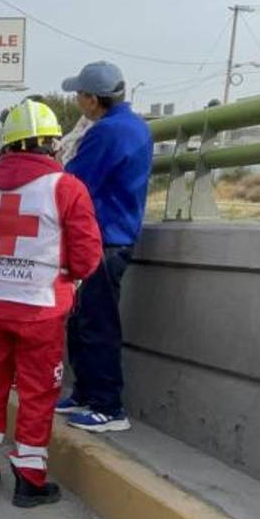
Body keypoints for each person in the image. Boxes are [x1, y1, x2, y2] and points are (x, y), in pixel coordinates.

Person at [0, 100, 102, 507]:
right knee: (37, 393)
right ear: (51, 144)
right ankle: (29, 480)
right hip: (40, 310)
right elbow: (88, 257)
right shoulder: (66, 188)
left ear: (8, 146)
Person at [57, 61, 153, 433]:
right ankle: (85, 393)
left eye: (79, 95)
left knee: (97, 322)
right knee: (83, 319)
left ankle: (107, 405)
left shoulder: (106, 133)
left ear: (93, 99)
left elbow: (73, 183)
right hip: (113, 235)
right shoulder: (132, 126)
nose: (78, 102)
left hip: (103, 239)